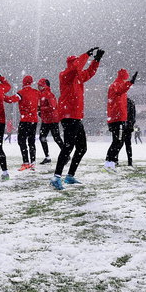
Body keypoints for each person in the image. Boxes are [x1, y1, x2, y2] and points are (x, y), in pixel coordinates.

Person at [51, 47, 103, 190]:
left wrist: (96, 60)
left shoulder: (78, 76)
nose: (78, 65)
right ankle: (56, 177)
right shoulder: (65, 75)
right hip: (69, 115)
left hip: (76, 115)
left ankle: (69, 176)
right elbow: (77, 66)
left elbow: (89, 73)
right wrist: (86, 55)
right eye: (76, 63)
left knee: (81, 147)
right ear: (72, 64)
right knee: (69, 146)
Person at [104, 68, 137, 170]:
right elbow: (120, 90)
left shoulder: (117, 85)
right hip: (117, 118)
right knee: (118, 141)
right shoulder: (117, 85)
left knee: (117, 141)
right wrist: (130, 82)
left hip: (117, 117)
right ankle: (110, 163)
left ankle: (110, 163)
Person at [4, 75, 40, 170]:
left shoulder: (21, 93)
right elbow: (40, 103)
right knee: (31, 142)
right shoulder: (36, 92)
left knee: (21, 141)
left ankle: (25, 162)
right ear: (31, 82)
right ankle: (33, 162)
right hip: (34, 120)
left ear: (23, 82)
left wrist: (1, 95)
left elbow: (10, 100)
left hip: (25, 120)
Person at [37, 78, 63, 164]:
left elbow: (53, 107)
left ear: (44, 85)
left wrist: (41, 109)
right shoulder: (43, 94)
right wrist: (39, 110)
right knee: (43, 137)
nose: (38, 87)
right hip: (47, 120)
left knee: (56, 138)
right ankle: (47, 157)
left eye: (40, 85)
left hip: (52, 120)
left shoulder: (48, 94)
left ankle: (65, 155)